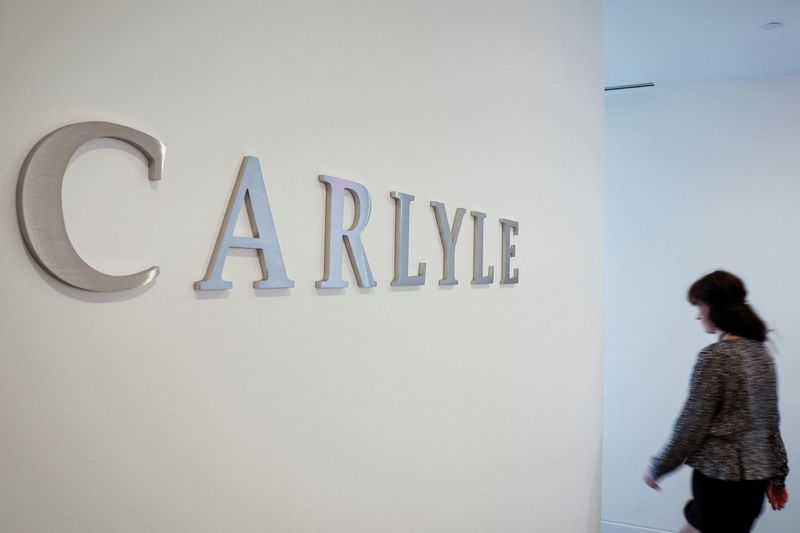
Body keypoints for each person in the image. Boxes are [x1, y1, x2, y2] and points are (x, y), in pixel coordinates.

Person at [643, 270, 789, 533]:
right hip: (754, 482)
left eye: (700, 306)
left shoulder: (716, 357)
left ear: (715, 307)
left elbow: (691, 424)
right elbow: (770, 424)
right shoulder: (761, 354)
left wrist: (659, 466)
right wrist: (777, 477)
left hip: (720, 480)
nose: (698, 315)